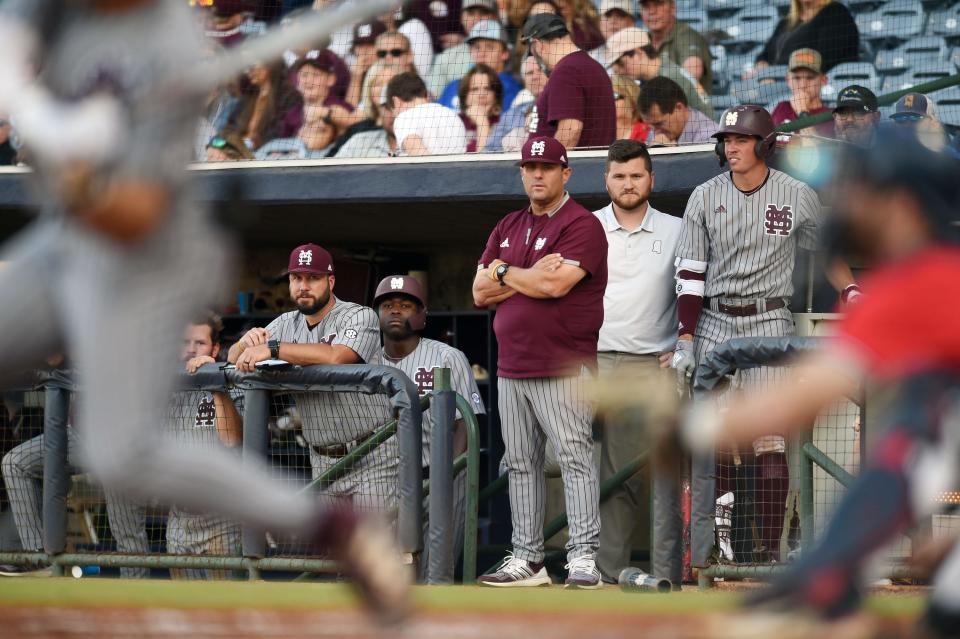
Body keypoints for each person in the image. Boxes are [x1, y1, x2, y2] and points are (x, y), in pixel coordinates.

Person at [0, 0, 406, 618]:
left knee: (118, 453)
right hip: (67, 238)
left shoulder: (169, 40)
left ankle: (327, 526)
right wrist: (36, 111)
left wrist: (77, 164)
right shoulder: (57, 12)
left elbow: (131, 212)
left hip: (147, 250)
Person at [676, 127, 960, 637]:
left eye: (865, 188)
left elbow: (801, 397)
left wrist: (684, 431)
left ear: (902, 203)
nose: (851, 201)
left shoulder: (924, 282)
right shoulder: (929, 274)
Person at [669, 105, 858, 570]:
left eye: (741, 139)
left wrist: (851, 289)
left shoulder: (796, 194)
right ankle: (716, 548)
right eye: (726, 139)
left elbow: (826, 249)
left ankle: (769, 550)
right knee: (713, 437)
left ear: (765, 144)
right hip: (714, 317)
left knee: (770, 439)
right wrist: (686, 337)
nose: (731, 147)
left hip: (769, 319)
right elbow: (691, 274)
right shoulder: (703, 196)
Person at [473, 136, 608, 589]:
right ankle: (529, 559)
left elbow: (555, 287)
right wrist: (516, 275)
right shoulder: (507, 223)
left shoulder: (582, 224)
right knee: (520, 462)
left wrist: (503, 272)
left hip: (563, 363)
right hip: (512, 366)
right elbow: (478, 293)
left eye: (547, 167)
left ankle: (584, 555)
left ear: (565, 173)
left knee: (574, 457)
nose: (537, 173)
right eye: (530, 166)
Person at [228, 244, 397, 513]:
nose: (303, 286)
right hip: (321, 457)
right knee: (333, 553)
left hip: (371, 452)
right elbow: (231, 357)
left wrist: (273, 348)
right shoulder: (285, 323)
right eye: (296, 278)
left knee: (373, 547)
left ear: (330, 281)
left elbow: (337, 356)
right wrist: (243, 343)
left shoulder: (358, 315)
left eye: (313, 278)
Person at [591, 140, 682, 585]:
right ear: (605, 179)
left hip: (645, 365)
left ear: (652, 179)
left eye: (636, 175)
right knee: (548, 462)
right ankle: (552, 561)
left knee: (624, 474)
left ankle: (609, 574)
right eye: (619, 176)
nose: (628, 184)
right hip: (585, 364)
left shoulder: (677, 229)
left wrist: (684, 341)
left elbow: (699, 293)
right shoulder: (584, 227)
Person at [372, 274, 485, 578]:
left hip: (439, 474)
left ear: (421, 315)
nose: (395, 310)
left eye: (405, 304)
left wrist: (447, 473)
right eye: (388, 305)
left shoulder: (447, 356)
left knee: (437, 571)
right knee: (392, 575)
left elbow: (466, 423)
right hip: (385, 480)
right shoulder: (366, 360)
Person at [522, 12, 616, 148]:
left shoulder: (566, 71)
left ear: (538, 45)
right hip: (591, 164)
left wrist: (551, 168)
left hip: (576, 167)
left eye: (532, 50)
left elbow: (570, 130)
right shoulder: (592, 65)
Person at [606, 27, 713, 119]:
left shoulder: (668, 77)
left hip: (705, 138)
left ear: (639, 53)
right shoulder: (660, 72)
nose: (618, 71)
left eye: (621, 63)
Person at [752, 0, 858, 79]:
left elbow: (826, 59)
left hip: (808, 83)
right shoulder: (785, 22)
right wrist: (761, 65)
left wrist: (774, 76)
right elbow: (765, 54)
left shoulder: (836, 12)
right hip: (778, 81)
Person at [437, 19, 521, 113]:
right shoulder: (453, 85)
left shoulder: (510, 87)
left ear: (505, 53)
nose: (482, 53)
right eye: (477, 47)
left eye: (490, 47)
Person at [428, 0, 501, 97]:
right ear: (462, 17)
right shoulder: (445, 58)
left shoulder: (506, 52)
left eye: (483, 13)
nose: (477, 19)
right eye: (471, 13)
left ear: (494, 17)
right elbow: (433, 98)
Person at [279, 56, 362, 140]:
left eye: (316, 75)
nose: (309, 80)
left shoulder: (341, 106)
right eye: (304, 75)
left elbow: (356, 124)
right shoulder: (292, 113)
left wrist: (325, 114)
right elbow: (282, 145)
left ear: (330, 80)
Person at [387, 72, 468, 155]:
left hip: (432, 168)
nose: (395, 115)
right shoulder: (452, 115)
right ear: (426, 95)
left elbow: (416, 150)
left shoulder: (404, 118)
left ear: (396, 101)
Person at [639, 0, 712, 93]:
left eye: (658, 4)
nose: (652, 12)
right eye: (646, 6)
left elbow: (692, 75)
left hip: (687, 105)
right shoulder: (641, 41)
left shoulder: (688, 36)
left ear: (672, 7)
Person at [487, 55, 549, 152]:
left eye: (540, 70)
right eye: (529, 73)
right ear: (525, 82)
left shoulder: (563, 108)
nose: (535, 77)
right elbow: (489, 150)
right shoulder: (511, 114)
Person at [770, 48, 833, 139]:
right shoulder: (781, 107)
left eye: (810, 78)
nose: (803, 85)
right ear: (787, 80)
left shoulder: (830, 117)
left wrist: (802, 111)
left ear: (823, 80)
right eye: (797, 78)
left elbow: (816, 151)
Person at [637, 76, 717, 144]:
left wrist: (668, 155)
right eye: (651, 126)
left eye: (660, 123)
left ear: (679, 108)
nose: (656, 132)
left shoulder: (710, 136)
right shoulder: (656, 129)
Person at [254, 106, 338, 160]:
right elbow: (254, 158)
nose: (313, 131)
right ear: (300, 132)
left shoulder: (330, 157)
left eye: (321, 130)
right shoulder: (277, 144)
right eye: (310, 125)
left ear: (332, 138)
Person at [457, 64, 503, 152]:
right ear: (465, 96)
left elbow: (484, 161)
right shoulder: (454, 122)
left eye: (488, 89)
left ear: (496, 96)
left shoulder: (504, 124)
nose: (482, 95)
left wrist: (482, 122)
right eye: (475, 89)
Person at [590, 0, 637, 70]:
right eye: (608, 15)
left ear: (632, 23)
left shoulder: (643, 56)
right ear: (599, 22)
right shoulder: (588, 57)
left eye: (620, 15)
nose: (613, 21)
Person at [611, 75, 651, 143]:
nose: (608, 100)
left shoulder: (648, 132)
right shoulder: (597, 132)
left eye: (614, 95)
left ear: (632, 101)